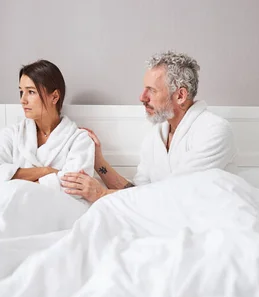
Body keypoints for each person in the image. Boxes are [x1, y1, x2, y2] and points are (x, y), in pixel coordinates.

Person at [60, 51, 237, 202]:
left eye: (152, 90)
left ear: (180, 95)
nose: (142, 97)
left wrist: (101, 194)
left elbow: (175, 193)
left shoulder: (214, 131)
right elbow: (136, 192)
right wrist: (100, 163)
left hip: (209, 221)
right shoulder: (156, 136)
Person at [0, 60, 94, 192]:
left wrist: (12, 180)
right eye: (21, 91)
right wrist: (47, 171)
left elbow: (76, 188)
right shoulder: (11, 134)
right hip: (12, 205)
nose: (23, 100)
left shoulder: (79, 140)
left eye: (31, 92)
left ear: (55, 97)